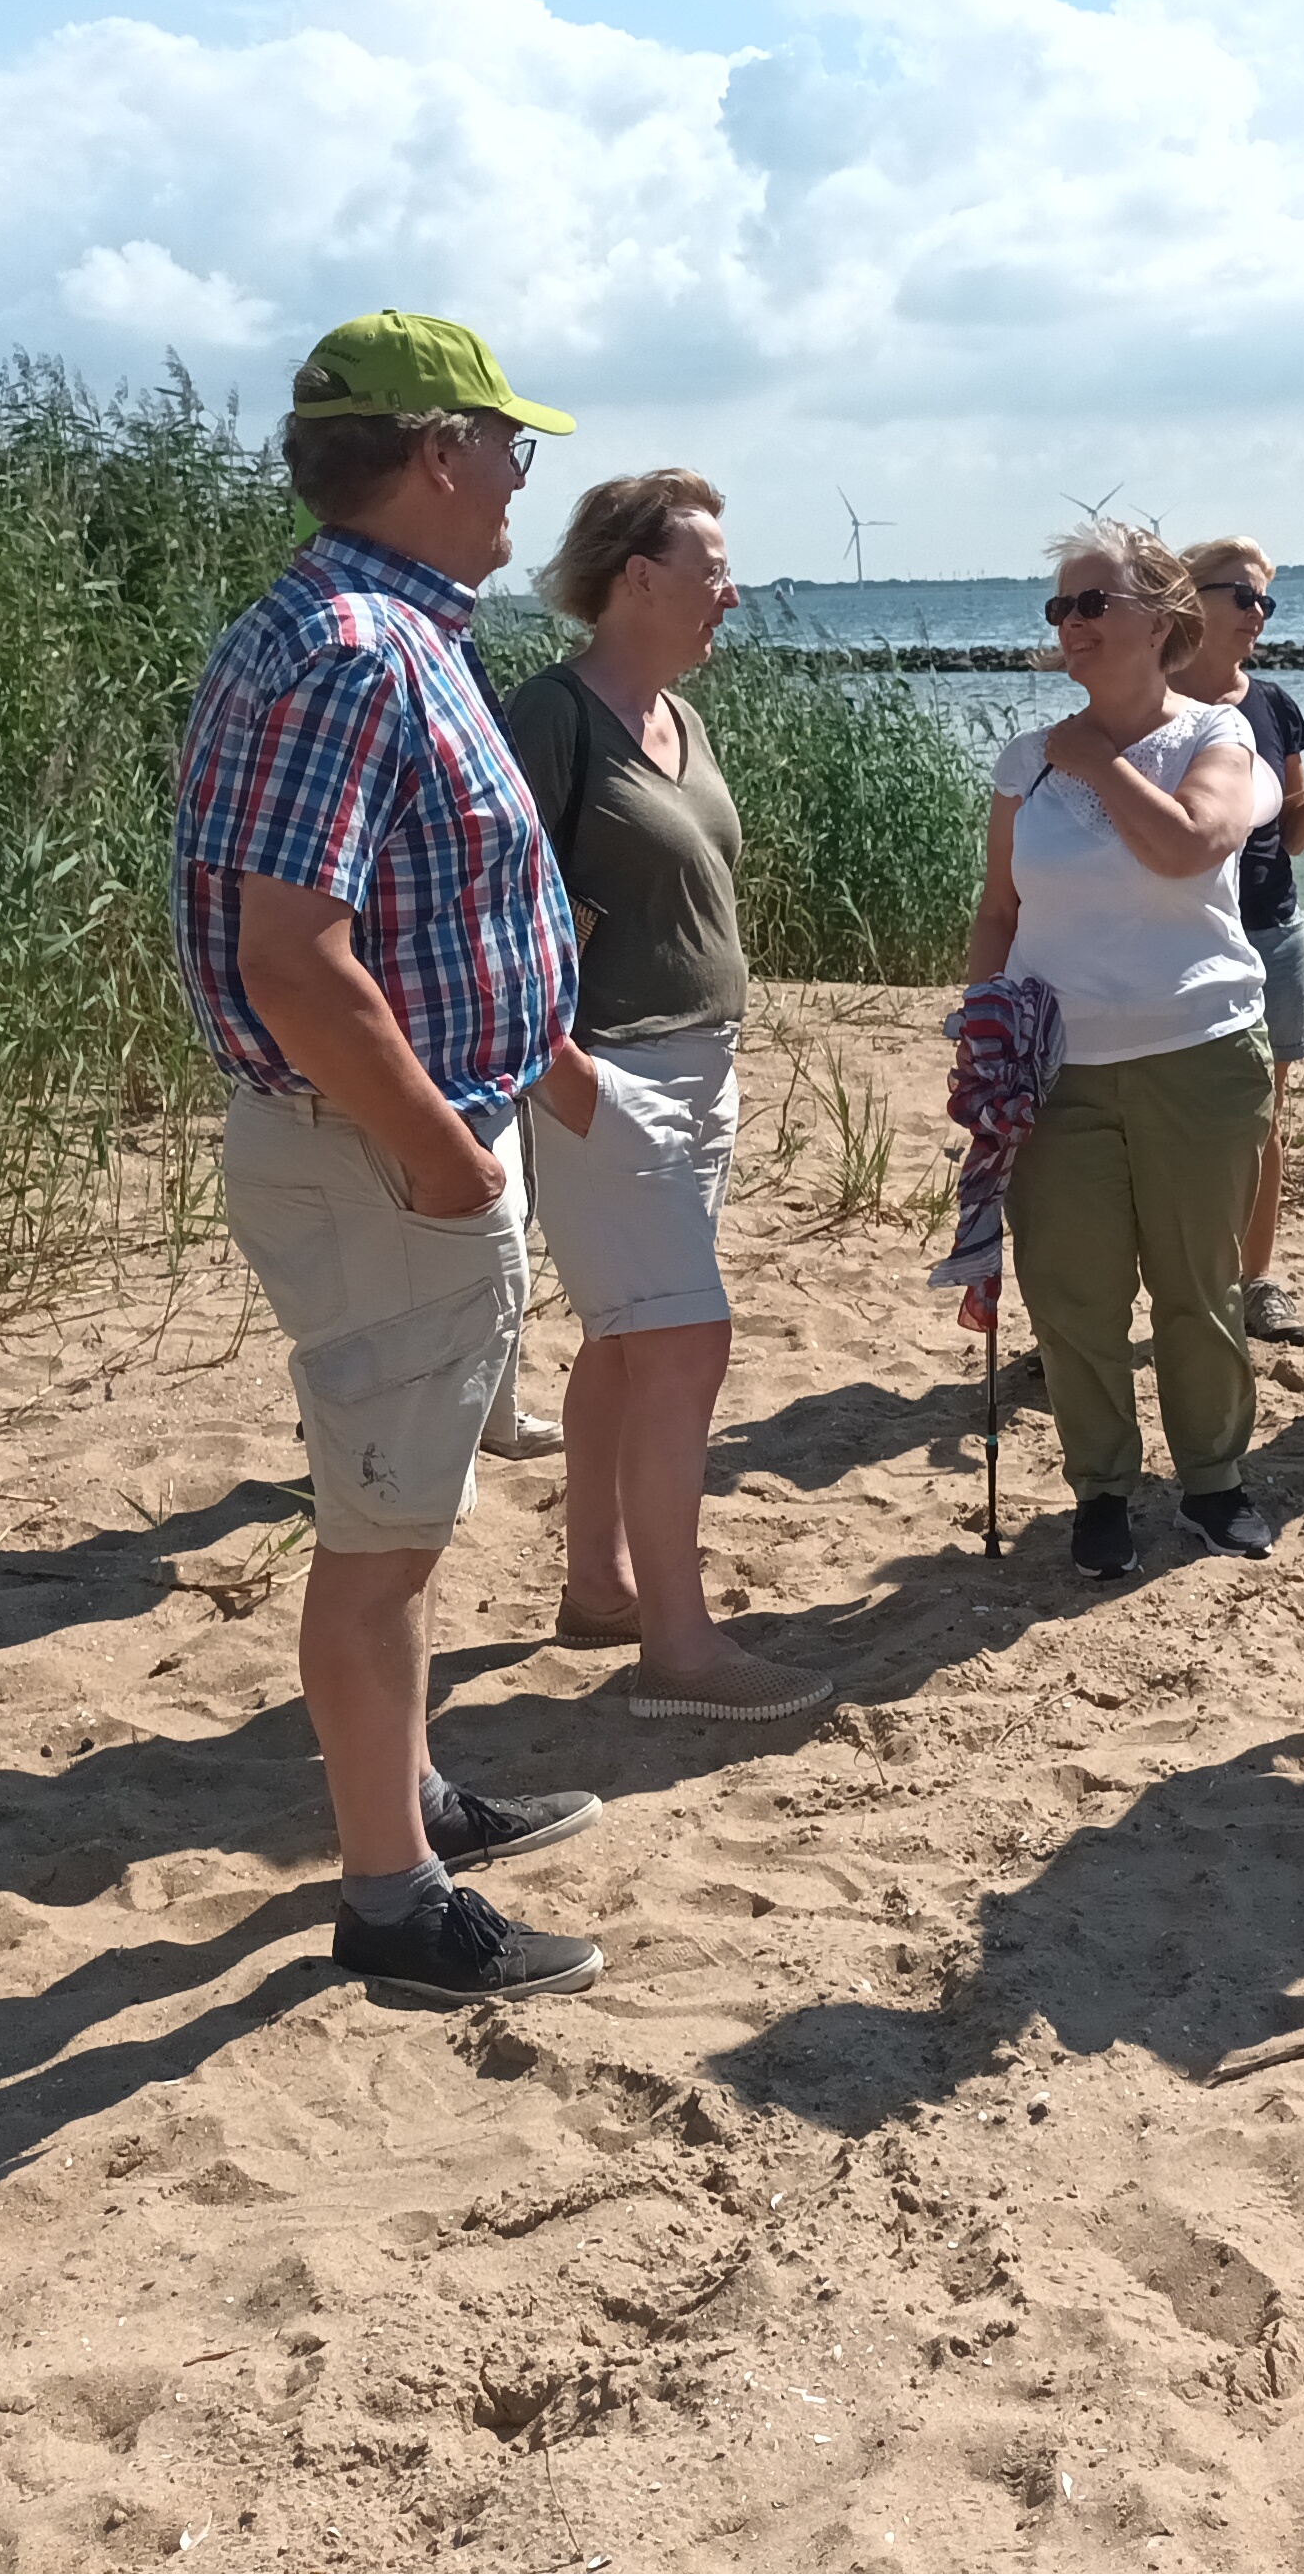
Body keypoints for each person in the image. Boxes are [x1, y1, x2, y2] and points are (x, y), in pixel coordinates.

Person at [172, 308, 609, 2005]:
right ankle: (393, 1901)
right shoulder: (360, 646)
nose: (519, 477)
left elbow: (431, 897)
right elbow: (295, 951)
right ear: (437, 454)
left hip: (392, 1139)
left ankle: (408, 1798)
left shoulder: (366, 627)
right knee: (381, 1542)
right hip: (375, 1155)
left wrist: (534, 1062)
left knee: (399, 1510)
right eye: (509, 446)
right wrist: (440, 1151)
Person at [497, 470, 836, 1722]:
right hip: (606, 1073)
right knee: (688, 1340)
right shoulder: (554, 715)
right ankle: (681, 1654)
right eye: (710, 568)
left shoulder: (681, 717)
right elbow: (489, 913)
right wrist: (566, 1072)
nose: (730, 591)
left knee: (630, 1338)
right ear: (636, 578)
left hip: (701, 1067)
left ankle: (600, 1589)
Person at [964, 521, 1283, 1580]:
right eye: (1059, 608)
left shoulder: (1215, 739)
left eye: (1092, 603)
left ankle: (1212, 1484)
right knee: (1073, 1294)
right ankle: (1101, 1490)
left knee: (1198, 1287)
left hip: (1197, 1052)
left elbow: (1191, 847)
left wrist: (1097, 761)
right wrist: (980, 1037)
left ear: (1162, 617)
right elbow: (999, 912)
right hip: (1055, 1072)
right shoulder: (1027, 760)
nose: (1071, 625)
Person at [1170, 535, 1304, 1347]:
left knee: (1265, 1117)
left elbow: (1290, 837)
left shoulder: (1272, 704)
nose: (1258, 614)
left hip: (1271, 932)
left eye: (1267, 601)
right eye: (1244, 596)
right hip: (1185, 935)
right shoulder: (1153, 701)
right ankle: (1176, 1282)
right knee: (1175, 1119)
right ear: (1190, 598)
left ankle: (1255, 1282)